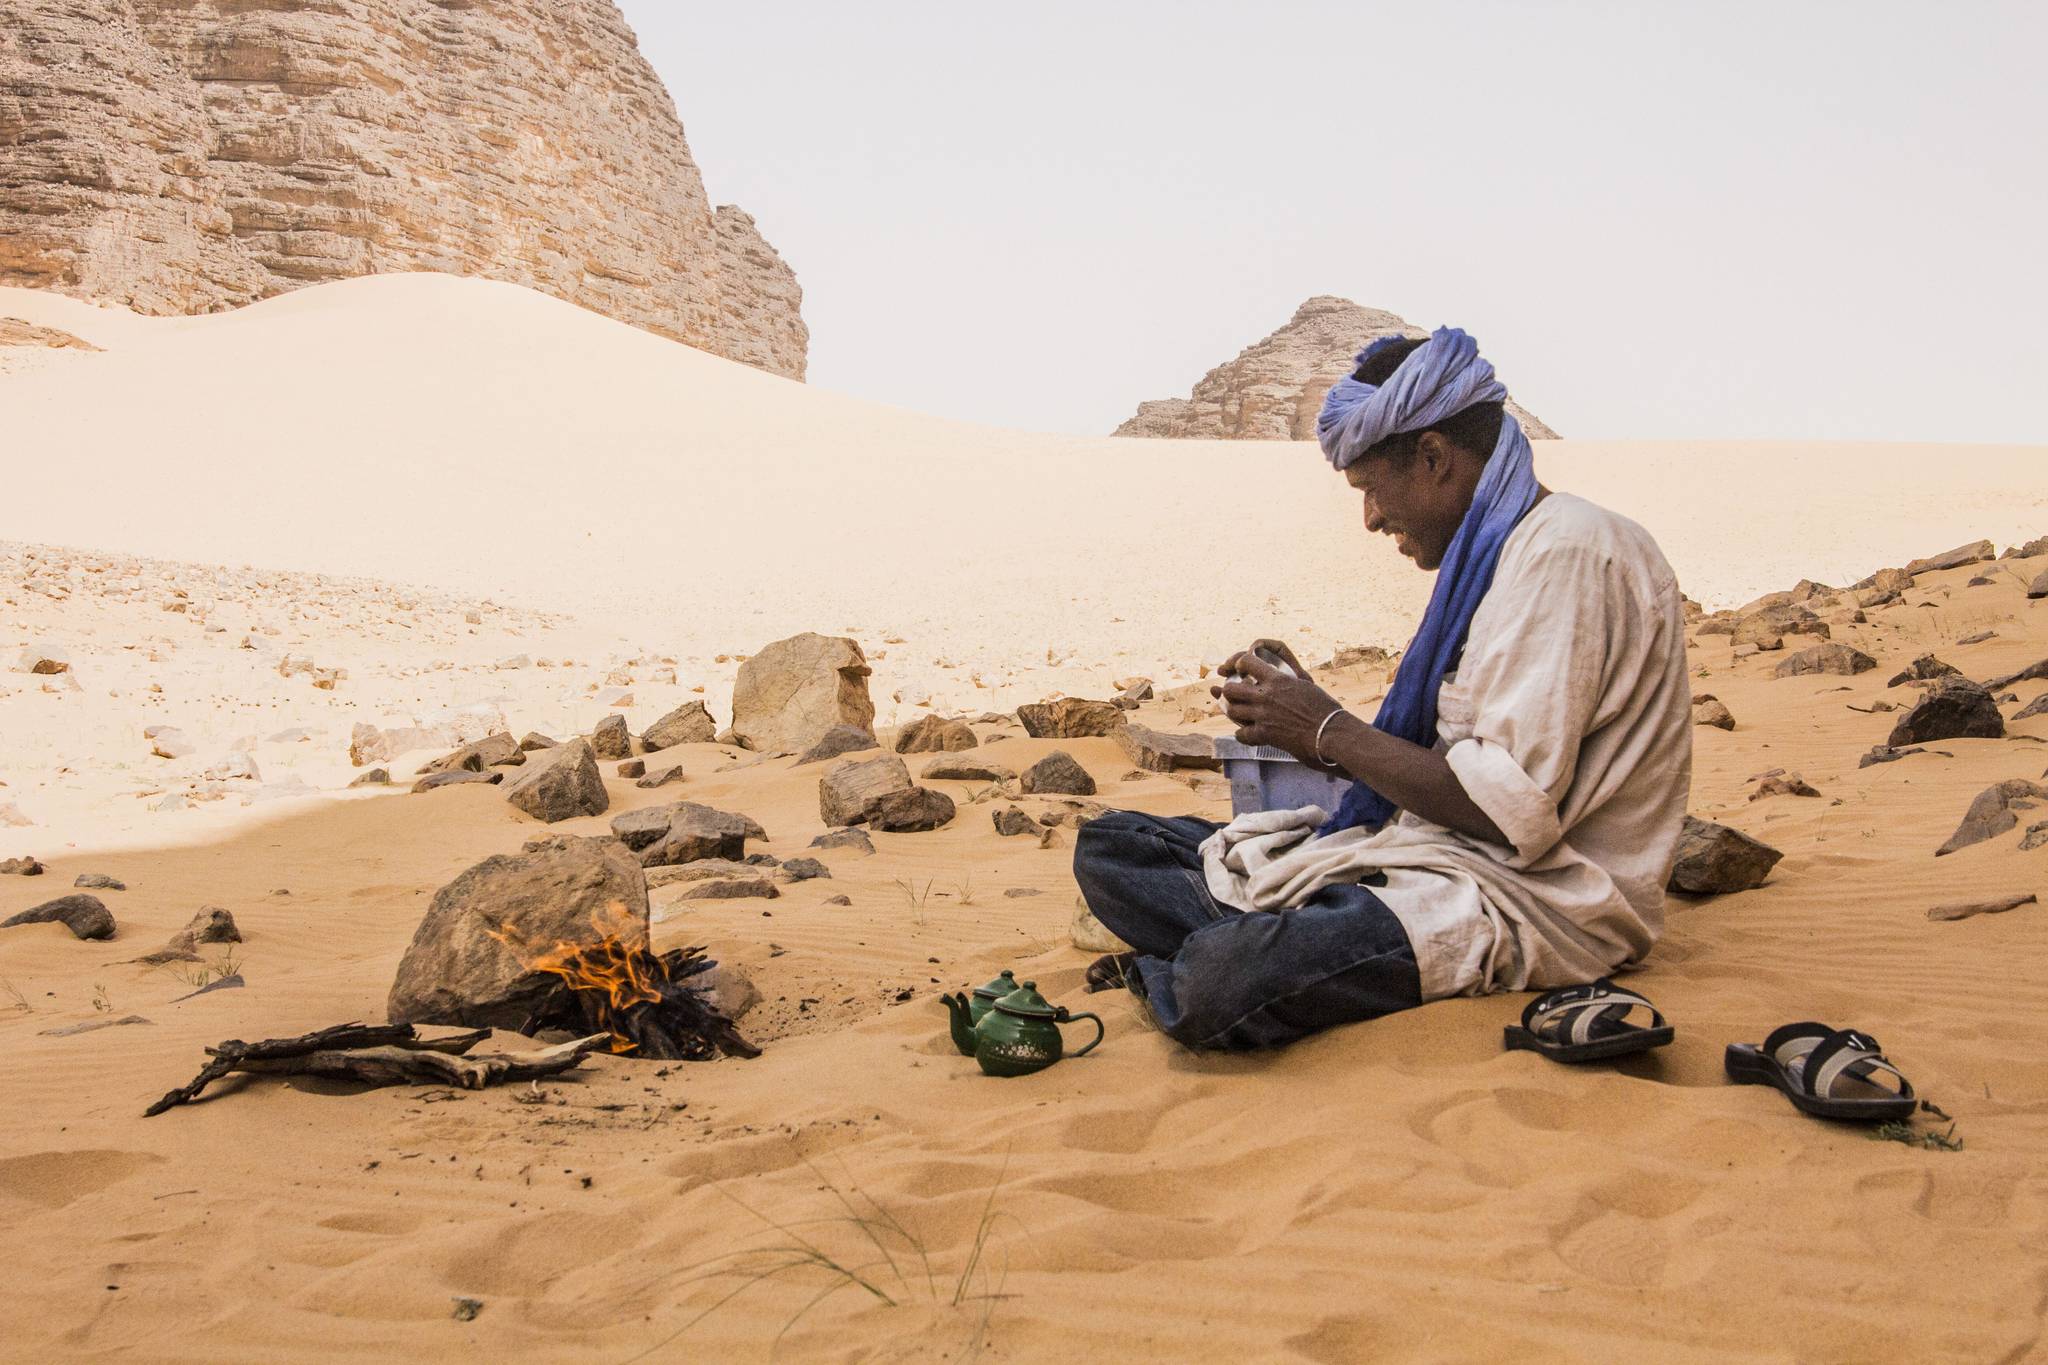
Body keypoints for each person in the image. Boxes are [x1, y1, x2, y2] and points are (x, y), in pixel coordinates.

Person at [1073, 327, 1693, 1051]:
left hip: (1523, 900)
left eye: (1369, 488)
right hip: (1417, 849)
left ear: (1432, 457)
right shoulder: (1494, 561)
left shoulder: (1566, 555)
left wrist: (1328, 730)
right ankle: (1280, 934)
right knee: (1113, 845)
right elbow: (1441, 759)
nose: (1369, 518)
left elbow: (1504, 813)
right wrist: (1306, 724)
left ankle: (1237, 950)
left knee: (1222, 976)